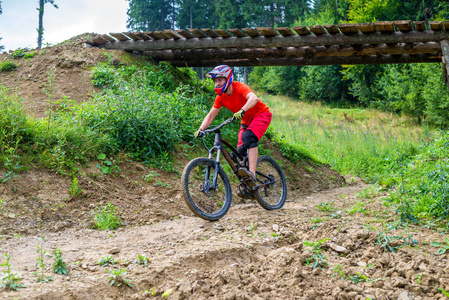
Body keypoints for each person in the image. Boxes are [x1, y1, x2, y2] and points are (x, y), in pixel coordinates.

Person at [194, 65, 272, 187]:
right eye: (215, 81)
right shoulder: (221, 97)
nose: (217, 83)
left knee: (248, 137)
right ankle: (248, 184)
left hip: (261, 114)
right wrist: (200, 129)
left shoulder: (239, 87)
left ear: (228, 78)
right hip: (246, 120)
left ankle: (252, 174)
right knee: (239, 151)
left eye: (220, 80)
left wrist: (242, 110)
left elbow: (254, 98)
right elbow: (210, 115)